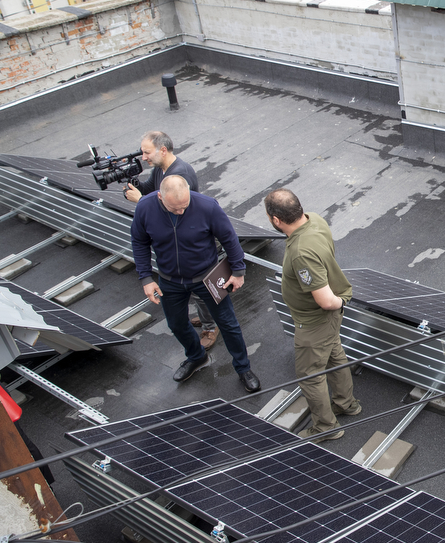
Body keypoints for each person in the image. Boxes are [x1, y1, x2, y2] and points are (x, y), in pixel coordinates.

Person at [132, 175, 261, 393]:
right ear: (160, 197)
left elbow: (229, 238)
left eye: (184, 206)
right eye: (175, 209)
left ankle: (243, 368)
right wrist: (145, 278)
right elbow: (139, 241)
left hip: (207, 278)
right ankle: (196, 356)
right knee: (176, 324)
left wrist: (238, 271)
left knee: (228, 324)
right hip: (170, 281)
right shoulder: (145, 207)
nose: (181, 212)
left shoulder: (207, 206)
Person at [264, 188, 359, 441]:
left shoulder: (301, 252)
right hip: (326, 322)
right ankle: (346, 404)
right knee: (335, 356)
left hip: (315, 322)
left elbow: (326, 301)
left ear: (276, 219)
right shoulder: (315, 219)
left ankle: (326, 427)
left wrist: (339, 304)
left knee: (310, 375)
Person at [125, 130, 219, 351]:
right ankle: (206, 318)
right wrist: (134, 183)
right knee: (194, 292)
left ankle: (210, 326)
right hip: (176, 245)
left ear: (163, 150)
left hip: (191, 246)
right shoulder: (161, 169)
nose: (144, 157)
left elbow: (169, 210)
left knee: (200, 290)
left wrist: (140, 202)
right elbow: (150, 190)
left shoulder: (180, 175)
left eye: (147, 152)